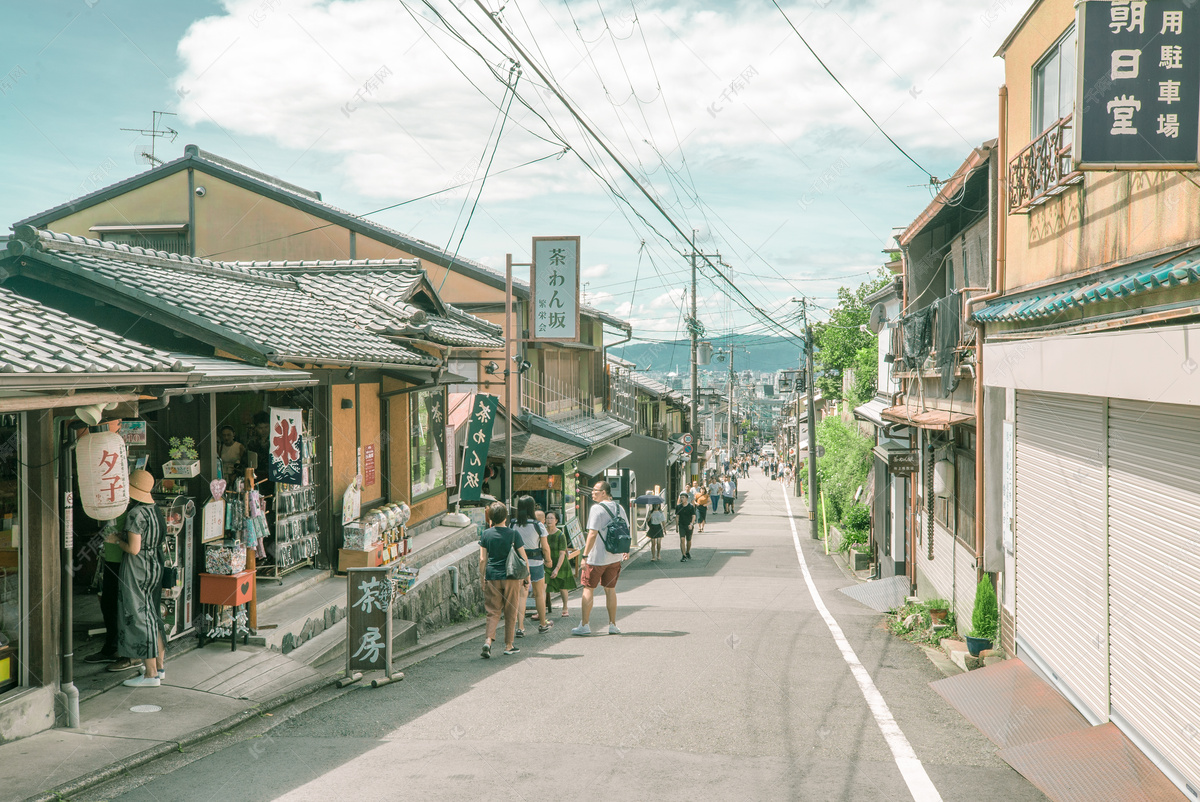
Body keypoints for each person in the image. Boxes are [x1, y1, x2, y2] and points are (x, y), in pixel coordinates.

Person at [103, 470, 166, 686]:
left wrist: (115, 540)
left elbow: (134, 548)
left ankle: (150, 674)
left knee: (139, 616)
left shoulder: (135, 513)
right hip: (155, 565)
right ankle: (160, 666)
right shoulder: (155, 510)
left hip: (137, 568)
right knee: (152, 614)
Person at [572, 481, 629, 636]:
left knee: (588, 588)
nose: (592, 493)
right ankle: (612, 625)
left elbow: (592, 533)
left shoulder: (596, 509)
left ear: (604, 492)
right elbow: (626, 528)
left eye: (595, 491)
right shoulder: (619, 507)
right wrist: (626, 550)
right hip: (614, 557)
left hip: (597, 558)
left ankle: (584, 625)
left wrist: (584, 555)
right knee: (610, 590)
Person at [479, 501, 530, 657]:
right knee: (511, 611)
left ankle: (488, 641)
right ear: (506, 516)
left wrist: (483, 578)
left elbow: (482, 559)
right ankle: (508, 645)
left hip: (493, 576)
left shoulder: (486, 534)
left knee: (492, 611)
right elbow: (523, 557)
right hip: (511, 577)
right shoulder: (513, 534)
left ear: (491, 517)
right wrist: (526, 577)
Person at [83, 513, 127, 664]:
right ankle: (113, 647)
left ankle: (117, 649)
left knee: (115, 606)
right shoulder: (112, 509)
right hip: (111, 558)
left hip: (122, 561)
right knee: (108, 604)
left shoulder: (131, 510)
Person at [513, 495, 554, 635]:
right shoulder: (538, 525)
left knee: (521, 595)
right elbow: (545, 547)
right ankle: (543, 624)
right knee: (539, 594)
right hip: (536, 563)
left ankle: (520, 627)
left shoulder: (513, 524)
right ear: (533, 508)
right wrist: (548, 561)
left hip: (520, 563)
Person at [544, 511, 576, 617]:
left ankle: (565, 607)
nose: (549, 520)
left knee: (563, 587)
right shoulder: (543, 533)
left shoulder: (560, 535)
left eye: (551, 518)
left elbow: (562, 553)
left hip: (560, 562)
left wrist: (556, 569)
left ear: (556, 520)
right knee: (543, 586)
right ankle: (542, 610)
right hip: (547, 562)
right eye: (547, 518)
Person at [675, 491, 696, 561]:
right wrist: (676, 527)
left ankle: (687, 552)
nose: (682, 499)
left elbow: (693, 516)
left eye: (683, 498)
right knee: (682, 539)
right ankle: (683, 555)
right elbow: (677, 517)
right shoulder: (678, 507)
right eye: (681, 498)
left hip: (689, 525)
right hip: (681, 525)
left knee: (689, 540)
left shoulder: (690, 507)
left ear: (687, 498)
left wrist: (691, 524)